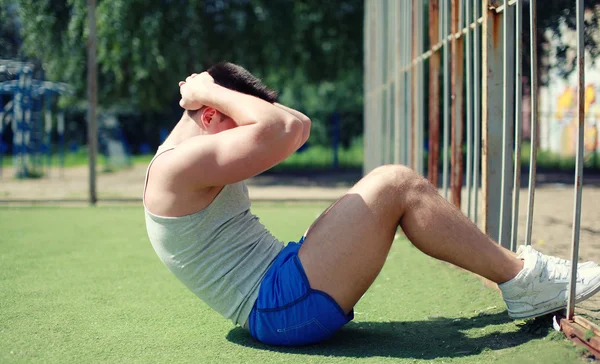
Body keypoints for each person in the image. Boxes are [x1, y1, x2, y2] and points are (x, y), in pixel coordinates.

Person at [144, 62, 600, 347]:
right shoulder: (175, 169)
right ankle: (524, 282)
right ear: (208, 115)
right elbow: (286, 129)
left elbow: (296, 125)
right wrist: (210, 90)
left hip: (283, 291)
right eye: (234, 121)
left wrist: (215, 95)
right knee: (395, 182)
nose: (246, 134)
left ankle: (521, 275)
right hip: (279, 306)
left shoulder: (181, 163)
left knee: (388, 186)